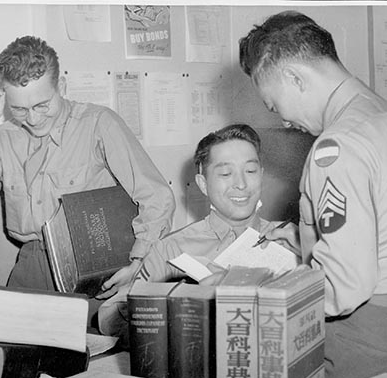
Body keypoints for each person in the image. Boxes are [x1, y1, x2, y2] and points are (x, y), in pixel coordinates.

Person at [239, 11, 387, 378]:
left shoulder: (336, 146)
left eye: (273, 104)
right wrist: (309, 246)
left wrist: (265, 300)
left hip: (371, 334)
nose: (282, 120)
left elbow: (345, 287)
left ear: (294, 78)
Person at [0, 35, 175, 304]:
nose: (33, 119)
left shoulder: (98, 124)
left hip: (96, 266)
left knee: (97, 344)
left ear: (61, 86)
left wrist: (139, 260)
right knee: (13, 343)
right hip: (33, 264)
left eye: (42, 105)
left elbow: (157, 197)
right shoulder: (0, 139)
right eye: (19, 109)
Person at [98, 123, 292, 338]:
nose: (241, 184)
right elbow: (108, 318)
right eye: (226, 173)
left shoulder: (288, 239)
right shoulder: (172, 250)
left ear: (261, 175)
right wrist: (180, 302)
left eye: (250, 171)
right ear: (203, 184)